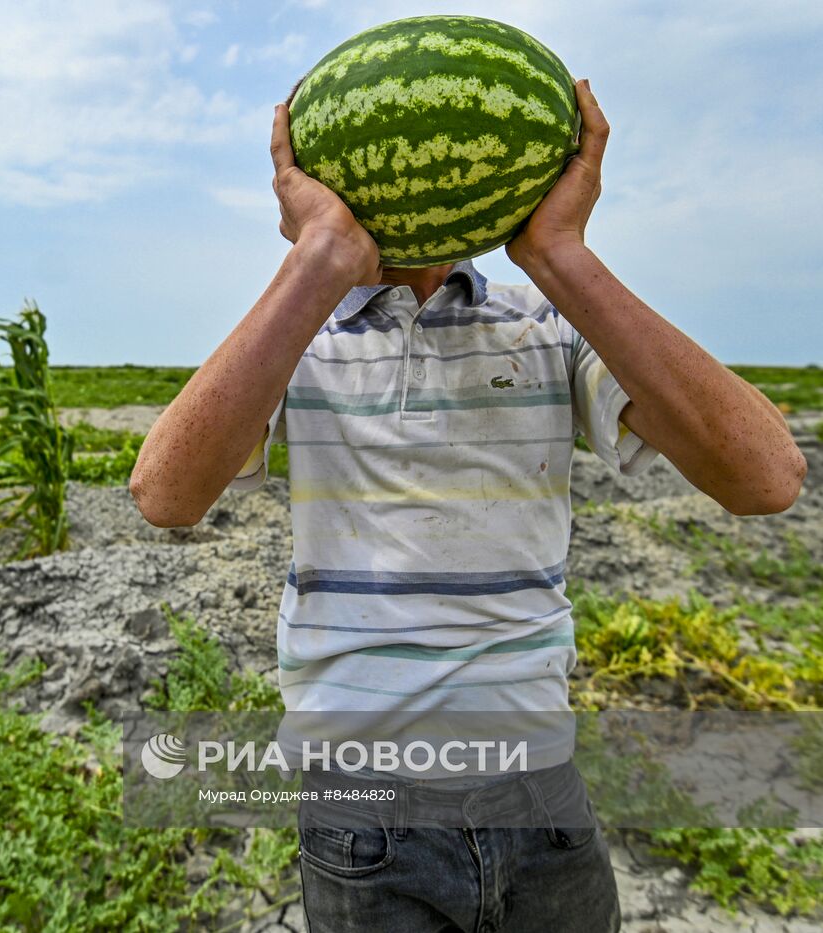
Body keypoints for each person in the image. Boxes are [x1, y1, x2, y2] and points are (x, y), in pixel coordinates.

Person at [128, 77, 807, 933]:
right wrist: (317, 263)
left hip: (540, 788)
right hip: (360, 802)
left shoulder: (546, 324)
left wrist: (562, 256)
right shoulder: (296, 333)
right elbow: (166, 494)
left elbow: (766, 478)